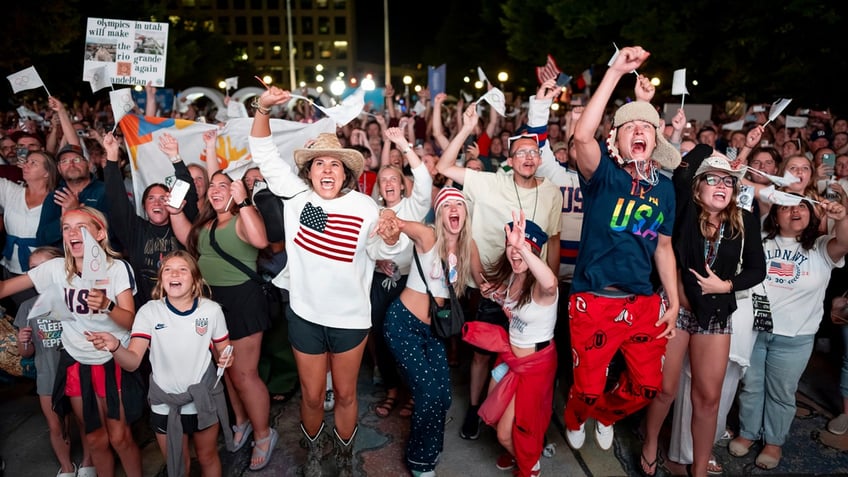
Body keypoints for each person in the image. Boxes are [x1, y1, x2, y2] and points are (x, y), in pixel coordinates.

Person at [248, 86, 407, 477]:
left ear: (347, 173)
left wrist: (390, 236)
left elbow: (386, 251)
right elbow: (263, 153)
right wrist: (263, 108)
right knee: (314, 395)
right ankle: (315, 456)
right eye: (320, 164)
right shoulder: (296, 198)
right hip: (305, 314)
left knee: (349, 393)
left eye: (335, 165)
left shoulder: (364, 207)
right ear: (308, 171)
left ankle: (345, 458)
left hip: (351, 318)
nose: (327, 171)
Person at [564, 45, 681, 452]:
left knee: (649, 387)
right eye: (630, 128)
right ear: (615, 140)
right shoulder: (603, 175)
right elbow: (581, 134)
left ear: (655, 141)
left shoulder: (665, 189)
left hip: (643, 302)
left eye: (647, 129)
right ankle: (577, 414)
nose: (639, 133)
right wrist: (616, 72)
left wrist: (675, 300)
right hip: (594, 300)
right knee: (587, 388)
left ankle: (605, 414)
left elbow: (663, 249)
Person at [436, 103, 562, 441]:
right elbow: (443, 166)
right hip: (496, 288)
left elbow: (553, 240)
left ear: (539, 158)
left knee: (533, 360)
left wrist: (552, 290)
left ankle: (528, 423)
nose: (527, 157)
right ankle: (477, 411)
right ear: (510, 159)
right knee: (483, 355)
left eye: (533, 152)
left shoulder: (551, 192)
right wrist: (465, 128)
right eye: (520, 152)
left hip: (534, 294)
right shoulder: (489, 182)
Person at [640, 155, 766, 477]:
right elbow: (686, 164)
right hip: (678, 311)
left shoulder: (745, 220)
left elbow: (757, 270)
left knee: (708, 399)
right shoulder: (685, 210)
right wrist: (726, 155)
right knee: (665, 389)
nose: (722, 185)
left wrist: (726, 285)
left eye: (728, 181)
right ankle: (651, 441)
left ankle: (698, 470)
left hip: (716, 316)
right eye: (713, 178)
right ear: (698, 187)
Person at [0, 206, 142, 477]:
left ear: (100, 233)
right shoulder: (54, 269)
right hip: (77, 362)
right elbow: (5, 288)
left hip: (112, 361)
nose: (72, 232)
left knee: (119, 437)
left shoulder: (117, 269)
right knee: (95, 439)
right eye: (66, 227)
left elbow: (130, 321)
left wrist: (108, 305)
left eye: (81, 227)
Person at [86, 251, 233, 477]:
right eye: (168, 269)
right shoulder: (149, 312)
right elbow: (133, 362)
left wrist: (226, 357)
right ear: (162, 280)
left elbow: (224, 350)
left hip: (202, 399)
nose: (174, 273)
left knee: (207, 456)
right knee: (178, 463)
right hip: (164, 403)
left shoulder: (211, 311)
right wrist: (115, 346)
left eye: (182, 269)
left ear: (195, 280)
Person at [729, 197, 848, 470]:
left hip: (795, 337)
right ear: (775, 214)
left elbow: (845, 241)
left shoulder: (820, 247)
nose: (794, 211)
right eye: (786, 206)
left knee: (781, 392)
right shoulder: (759, 239)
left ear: (811, 215)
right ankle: (748, 433)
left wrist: (841, 217)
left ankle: (773, 442)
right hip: (754, 330)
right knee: (751, 386)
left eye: (801, 207)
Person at [169, 164, 275, 470]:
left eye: (223, 185)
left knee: (244, 374)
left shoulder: (242, 219)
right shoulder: (207, 226)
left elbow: (260, 241)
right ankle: (241, 420)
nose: (215, 189)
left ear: (235, 191)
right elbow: (187, 235)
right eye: (212, 186)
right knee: (225, 370)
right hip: (212, 304)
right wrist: (175, 211)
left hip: (243, 302)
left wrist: (243, 203)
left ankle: (265, 433)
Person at [384, 186, 481, 477]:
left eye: (459, 204)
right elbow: (399, 222)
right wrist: (390, 219)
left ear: (465, 213)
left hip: (434, 331)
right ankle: (419, 460)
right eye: (447, 205)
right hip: (403, 326)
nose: (454, 209)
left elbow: (484, 284)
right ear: (439, 214)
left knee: (444, 396)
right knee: (428, 393)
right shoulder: (429, 237)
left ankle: (430, 444)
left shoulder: (468, 247)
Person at [464, 212, 558, 477]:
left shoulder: (542, 286)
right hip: (509, 360)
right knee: (494, 417)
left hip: (533, 367)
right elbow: (510, 305)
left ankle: (531, 465)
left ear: (534, 252)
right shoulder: (514, 278)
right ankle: (521, 454)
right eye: (511, 248)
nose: (515, 255)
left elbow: (551, 283)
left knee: (508, 432)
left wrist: (522, 249)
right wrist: (495, 293)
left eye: (523, 251)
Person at [15, 246, 95, 477]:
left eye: (44, 268)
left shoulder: (75, 298)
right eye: (32, 270)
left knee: (84, 420)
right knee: (56, 425)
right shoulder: (27, 307)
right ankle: (67, 467)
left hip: (76, 369)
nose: (38, 273)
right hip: (47, 374)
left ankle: (89, 462)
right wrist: (23, 340)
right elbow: (26, 353)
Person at [371, 126, 432, 420]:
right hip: (380, 283)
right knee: (382, 336)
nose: (388, 184)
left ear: (401, 184)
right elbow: (362, 248)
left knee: (409, 339)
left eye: (393, 179)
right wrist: (374, 263)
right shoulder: (371, 212)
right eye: (383, 181)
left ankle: (410, 392)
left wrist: (403, 145)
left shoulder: (414, 206)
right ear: (379, 188)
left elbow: (425, 178)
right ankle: (392, 390)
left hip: (411, 282)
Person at [102, 131, 198, 305]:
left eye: (163, 198)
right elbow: (116, 199)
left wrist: (175, 158)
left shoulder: (183, 224)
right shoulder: (135, 230)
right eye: (151, 199)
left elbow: (189, 194)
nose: (157, 203)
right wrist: (112, 156)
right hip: (145, 310)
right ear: (144, 206)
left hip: (182, 306)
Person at [0, 149, 59, 312]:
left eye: (34, 163)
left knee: (39, 315)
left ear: (47, 172)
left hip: (41, 270)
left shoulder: (58, 199)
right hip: (10, 265)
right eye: (26, 161)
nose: (26, 165)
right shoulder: (11, 191)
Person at [37, 144, 109, 248]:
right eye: (64, 161)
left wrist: (77, 212)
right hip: (61, 259)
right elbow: (42, 239)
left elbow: (116, 232)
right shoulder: (54, 196)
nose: (71, 164)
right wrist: (64, 217)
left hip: (98, 256)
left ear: (88, 164)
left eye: (77, 160)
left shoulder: (105, 191)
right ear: (59, 168)